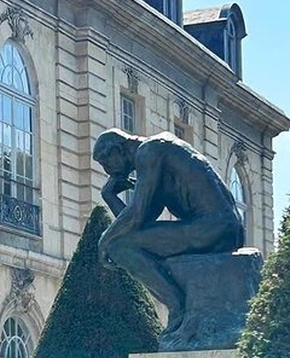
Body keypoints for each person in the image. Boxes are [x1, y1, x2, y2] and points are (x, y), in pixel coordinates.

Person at [93, 128, 244, 334]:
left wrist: (105, 240)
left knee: (119, 247)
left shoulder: (150, 150)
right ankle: (180, 307)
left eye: (105, 162)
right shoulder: (155, 157)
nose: (107, 171)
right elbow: (140, 224)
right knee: (122, 243)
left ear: (117, 150)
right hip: (223, 228)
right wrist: (109, 196)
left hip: (211, 227)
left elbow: (136, 215)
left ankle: (178, 308)